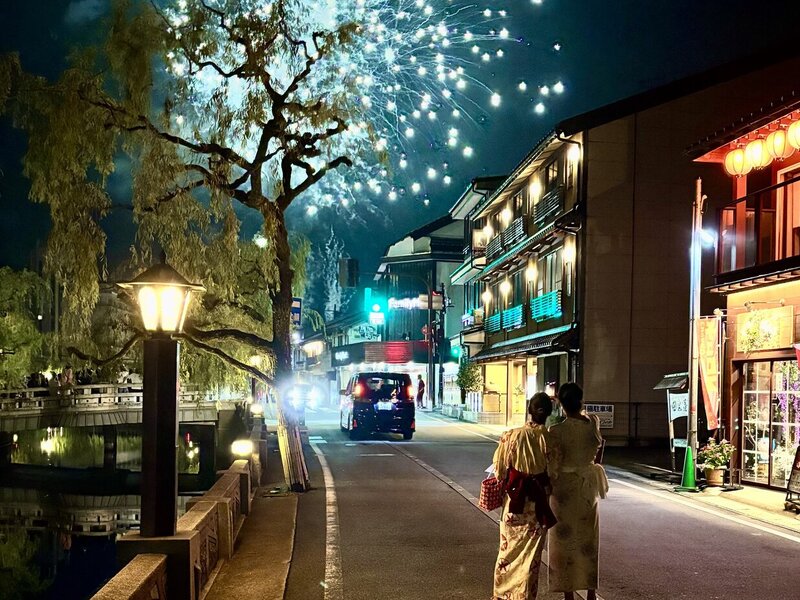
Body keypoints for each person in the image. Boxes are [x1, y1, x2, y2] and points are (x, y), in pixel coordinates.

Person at [491, 392, 557, 600]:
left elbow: (499, 471)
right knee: (531, 555)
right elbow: (554, 472)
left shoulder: (510, 435)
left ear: (529, 410)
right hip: (537, 503)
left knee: (507, 549)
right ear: (549, 413)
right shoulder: (548, 437)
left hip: (514, 500)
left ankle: (502, 594)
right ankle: (524, 596)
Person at [546, 383, 608, 600]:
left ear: (561, 404)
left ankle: (569, 594)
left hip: (563, 491)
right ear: (581, 401)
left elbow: (552, 465)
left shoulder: (556, 431)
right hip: (587, 488)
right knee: (588, 540)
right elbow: (598, 449)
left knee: (563, 541)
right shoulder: (593, 423)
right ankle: (591, 591)